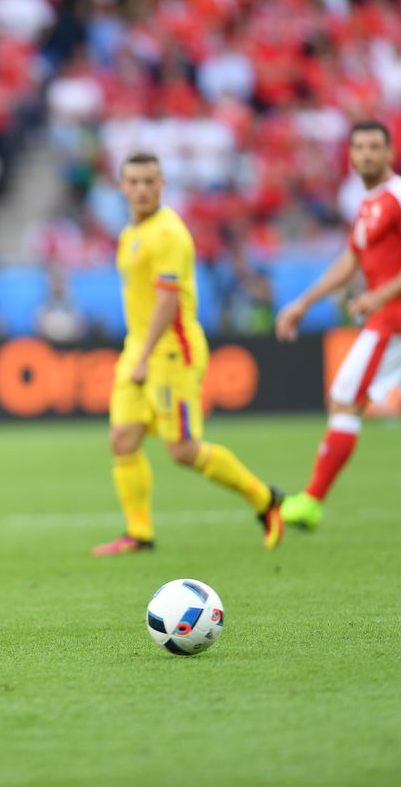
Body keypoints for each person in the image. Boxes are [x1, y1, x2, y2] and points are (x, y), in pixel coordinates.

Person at [275, 120, 401, 534]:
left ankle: (310, 500)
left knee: (344, 400)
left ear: (388, 153)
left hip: (394, 321)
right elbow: (350, 260)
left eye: (374, 147)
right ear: (350, 155)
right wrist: (303, 304)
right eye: (358, 147)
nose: (365, 154)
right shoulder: (368, 203)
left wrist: (378, 296)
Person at [93, 152, 284, 556]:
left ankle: (264, 498)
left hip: (170, 353)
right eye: (135, 181)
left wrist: (144, 356)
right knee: (123, 439)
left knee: (182, 450)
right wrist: (137, 352)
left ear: (163, 185)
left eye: (150, 181)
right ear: (122, 187)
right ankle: (139, 534)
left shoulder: (169, 234)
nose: (142, 188)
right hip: (139, 348)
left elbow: (167, 302)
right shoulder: (131, 233)